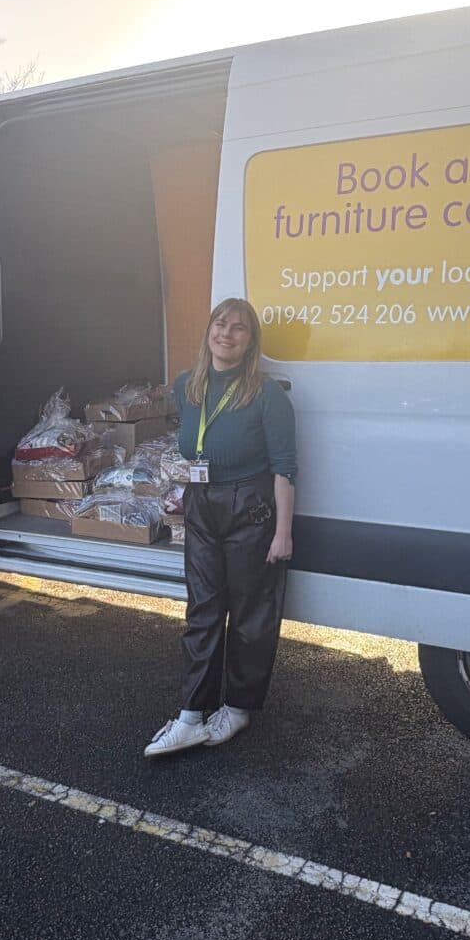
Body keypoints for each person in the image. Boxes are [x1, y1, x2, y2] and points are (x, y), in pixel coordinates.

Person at [145, 298, 297, 756]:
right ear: (208, 330)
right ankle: (192, 715)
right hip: (202, 505)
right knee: (203, 610)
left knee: (251, 617)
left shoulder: (266, 393)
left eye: (239, 329)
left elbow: (285, 468)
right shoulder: (188, 386)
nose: (226, 334)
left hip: (250, 507)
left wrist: (283, 533)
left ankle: (237, 707)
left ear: (250, 342)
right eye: (220, 324)